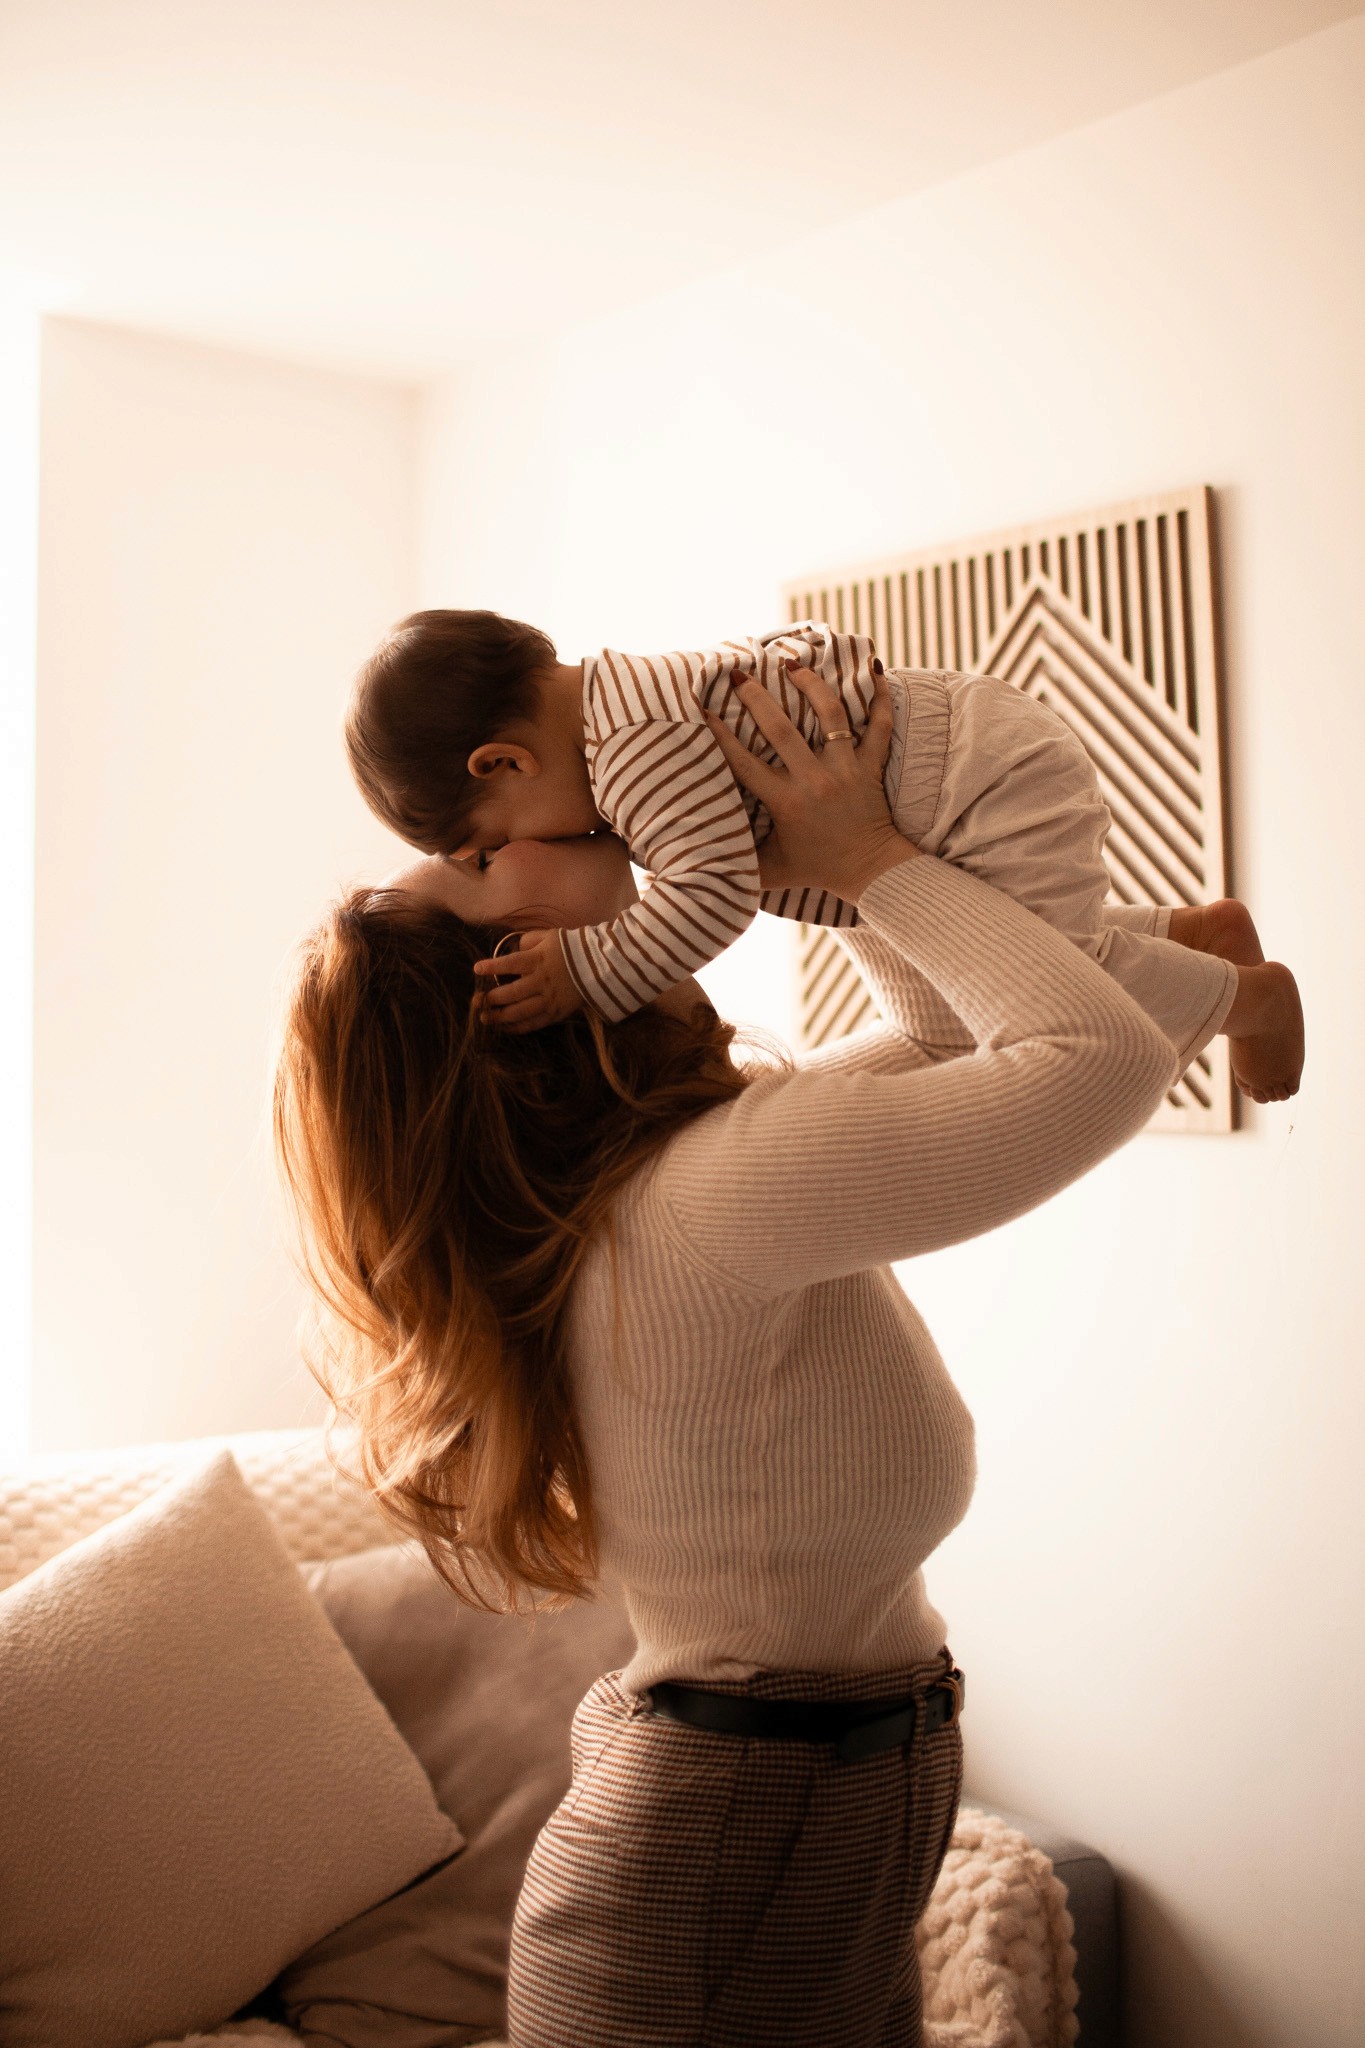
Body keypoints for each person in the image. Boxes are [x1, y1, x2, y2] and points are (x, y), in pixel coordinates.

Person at [274, 666, 1186, 2046]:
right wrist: (871, 857)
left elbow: (951, 1036)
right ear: (506, 984)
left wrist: (841, 868)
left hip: (799, 1819)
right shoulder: (701, 1205)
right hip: (729, 1855)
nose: (503, 841)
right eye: (470, 870)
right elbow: (1098, 1053)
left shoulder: (676, 1183)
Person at [343, 607, 1303, 1101]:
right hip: (912, 827)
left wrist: (588, 969)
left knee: (1052, 985)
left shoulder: (625, 749)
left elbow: (711, 895)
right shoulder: (620, 715)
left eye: (494, 841)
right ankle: (1190, 932)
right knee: (943, 1020)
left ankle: (1250, 997)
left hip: (973, 780)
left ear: (503, 761)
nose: (540, 845)